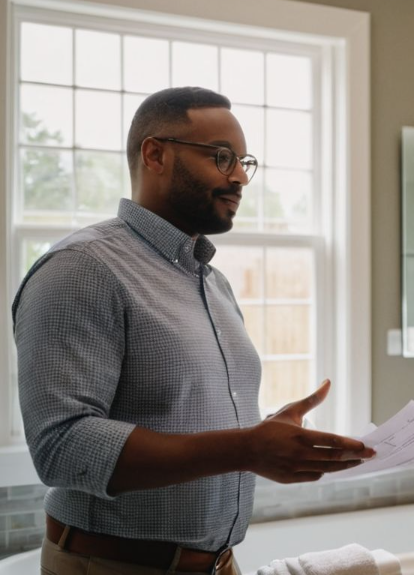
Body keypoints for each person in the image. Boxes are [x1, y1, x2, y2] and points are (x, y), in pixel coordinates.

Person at [13, 87, 374, 575]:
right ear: (155, 154)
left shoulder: (214, 283)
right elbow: (62, 447)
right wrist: (248, 447)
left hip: (219, 565)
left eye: (245, 161)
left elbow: (184, 418)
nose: (240, 177)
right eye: (221, 157)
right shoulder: (81, 268)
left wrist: (265, 434)